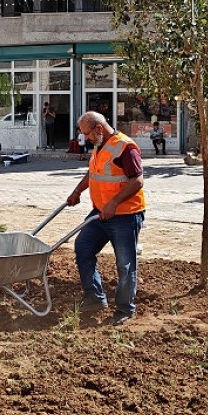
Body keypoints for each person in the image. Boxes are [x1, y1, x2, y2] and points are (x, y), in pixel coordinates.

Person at [65, 111, 147, 326]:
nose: (86, 138)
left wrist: (114, 203)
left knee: (125, 263)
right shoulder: (99, 146)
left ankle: (125, 309)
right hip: (100, 214)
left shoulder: (125, 148)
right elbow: (93, 174)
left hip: (125, 216)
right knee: (83, 247)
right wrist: (77, 191)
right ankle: (95, 297)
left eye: (87, 134)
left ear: (99, 129)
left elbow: (137, 181)